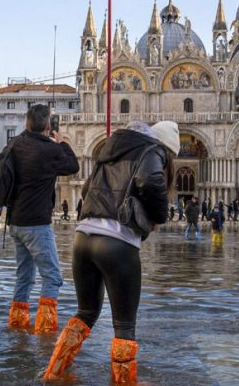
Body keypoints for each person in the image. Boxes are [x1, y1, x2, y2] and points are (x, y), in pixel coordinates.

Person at [43, 120, 176, 383]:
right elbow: (150, 180)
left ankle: (54, 373)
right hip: (117, 242)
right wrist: (159, 216)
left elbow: (85, 189)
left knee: (86, 313)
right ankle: (124, 382)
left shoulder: (110, 150)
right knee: (125, 325)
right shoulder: (154, 150)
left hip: (83, 238)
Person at [7, 104, 79, 334]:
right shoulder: (50, 149)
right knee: (53, 278)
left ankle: (17, 327)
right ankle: (46, 332)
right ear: (48, 125)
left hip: (15, 222)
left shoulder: (15, 144)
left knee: (24, 277)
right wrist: (63, 143)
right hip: (37, 224)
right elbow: (73, 166)